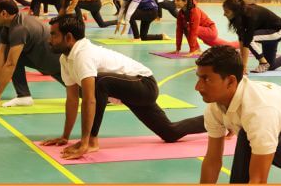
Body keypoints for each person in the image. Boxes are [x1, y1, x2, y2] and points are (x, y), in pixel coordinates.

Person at [41, 14, 205, 159]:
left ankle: (92, 141)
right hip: (131, 90)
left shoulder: (84, 54)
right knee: (170, 133)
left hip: (144, 84)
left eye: (53, 35)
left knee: (99, 83)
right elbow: (72, 99)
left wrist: (85, 141)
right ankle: (218, 119)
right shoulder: (65, 58)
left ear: (69, 37)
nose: (49, 40)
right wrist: (65, 136)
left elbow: (90, 100)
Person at [195, 45, 281, 183]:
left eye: (206, 79)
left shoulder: (259, 111)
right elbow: (213, 160)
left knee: (246, 138)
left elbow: (258, 180)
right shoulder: (215, 106)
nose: (197, 87)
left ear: (230, 81)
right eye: (198, 78)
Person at [0, 0, 62, 111]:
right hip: (38, 58)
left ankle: (23, 95)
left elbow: (10, 64)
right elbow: (0, 59)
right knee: (9, 55)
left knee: (86, 94)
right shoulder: (7, 27)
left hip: (55, 63)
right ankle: (23, 95)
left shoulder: (19, 29)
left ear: (4, 13)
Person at [222, 0, 281, 73]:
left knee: (248, 39)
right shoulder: (240, 15)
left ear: (235, 11)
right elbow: (241, 39)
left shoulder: (250, 16)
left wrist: (243, 67)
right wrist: (241, 64)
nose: (224, 14)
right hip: (268, 33)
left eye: (227, 12)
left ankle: (263, 63)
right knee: (271, 65)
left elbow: (247, 42)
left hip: (277, 32)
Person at [172, 0, 239, 57]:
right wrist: (178, 49)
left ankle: (196, 49)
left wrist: (192, 50)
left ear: (185, 2)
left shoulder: (194, 11)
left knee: (189, 28)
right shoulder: (181, 13)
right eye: (175, 0)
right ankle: (240, 44)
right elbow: (179, 30)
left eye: (178, 0)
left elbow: (194, 30)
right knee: (228, 46)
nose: (175, 2)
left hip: (211, 31)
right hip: (205, 35)